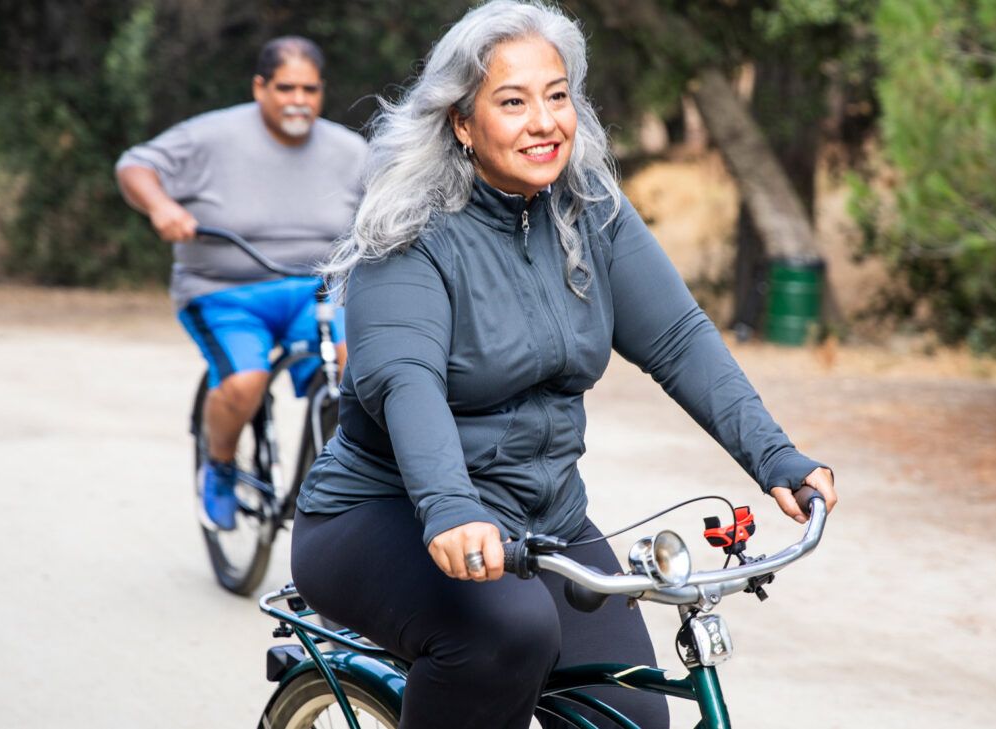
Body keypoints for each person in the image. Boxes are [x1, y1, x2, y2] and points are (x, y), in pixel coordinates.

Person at [289, 1, 839, 727]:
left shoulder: (591, 209)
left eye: (557, 95)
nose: (544, 121)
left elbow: (677, 339)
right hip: (389, 512)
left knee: (634, 715)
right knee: (507, 631)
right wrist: (451, 509)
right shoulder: (409, 230)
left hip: (546, 520)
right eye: (512, 101)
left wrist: (776, 457)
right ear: (462, 121)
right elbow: (404, 381)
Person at [115, 36, 366, 531]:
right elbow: (135, 166)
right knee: (243, 382)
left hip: (317, 288)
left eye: (310, 90)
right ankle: (222, 467)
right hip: (225, 290)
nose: (298, 100)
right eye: (286, 88)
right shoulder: (210, 136)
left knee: (357, 371)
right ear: (260, 87)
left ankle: (348, 480)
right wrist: (163, 207)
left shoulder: (350, 150)